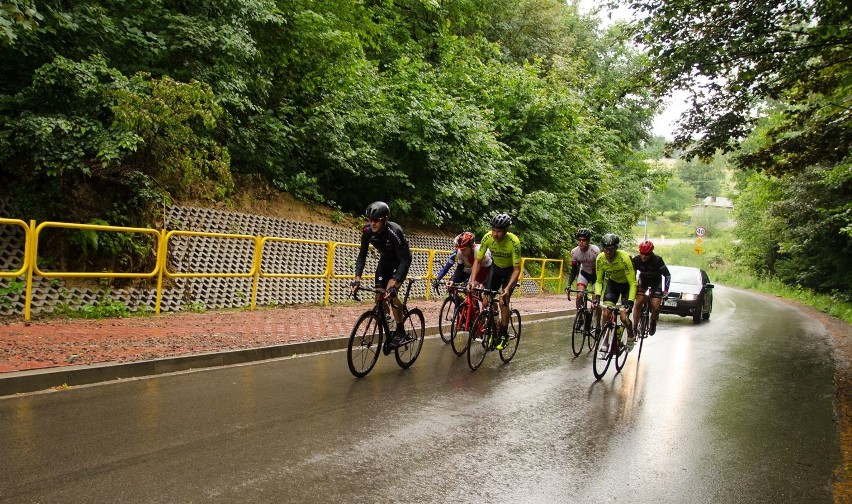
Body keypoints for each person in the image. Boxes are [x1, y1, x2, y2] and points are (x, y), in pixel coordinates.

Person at [352, 201, 413, 352]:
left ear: (385, 219)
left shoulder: (394, 231)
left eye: (376, 220)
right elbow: (362, 256)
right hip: (385, 262)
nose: (372, 223)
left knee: (390, 294)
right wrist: (357, 279)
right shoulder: (367, 231)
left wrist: (394, 285)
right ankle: (388, 322)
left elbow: (404, 260)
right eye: (370, 220)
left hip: (401, 262)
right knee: (379, 296)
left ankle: (400, 330)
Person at [468, 213, 521, 350]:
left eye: (499, 231)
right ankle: (494, 322)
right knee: (486, 299)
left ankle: (503, 334)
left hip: (510, 272)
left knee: (503, 301)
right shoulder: (487, 238)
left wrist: (508, 288)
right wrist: (472, 281)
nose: (495, 234)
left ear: (505, 231)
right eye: (494, 230)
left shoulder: (514, 242)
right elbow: (478, 261)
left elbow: (517, 269)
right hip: (496, 269)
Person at [593, 233, 637, 350]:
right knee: (606, 313)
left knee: (623, 317)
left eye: (611, 249)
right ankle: (605, 343)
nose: (608, 252)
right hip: (613, 284)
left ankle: (631, 335)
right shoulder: (600, 259)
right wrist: (597, 296)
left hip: (627, 286)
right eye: (606, 249)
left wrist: (631, 302)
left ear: (616, 248)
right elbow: (599, 281)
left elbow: (633, 283)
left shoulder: (624, 258)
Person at [565, 227, 602, 335]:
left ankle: (598, 325)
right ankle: (580, 316)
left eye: (584, 240)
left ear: (588, 240)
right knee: (579, 295)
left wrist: (598, 288)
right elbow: (573, 271)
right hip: (584, 273)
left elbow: (601, 269)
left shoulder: (595, 251)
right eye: (579, 240)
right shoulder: (574, 252)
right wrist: (568, 284)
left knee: (596, 302)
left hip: (596, 276)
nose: (581, 242)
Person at [631, 240, 671, 335]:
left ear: (651, 253)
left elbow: (667, 275)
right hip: (643, 280)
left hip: (656, 282)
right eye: (642, 254)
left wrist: (665, 291)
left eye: (646, 254)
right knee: (638, 302)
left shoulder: (657, 260)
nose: (643, 256)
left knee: (656, 307)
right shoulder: (636, 260)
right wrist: (633, 287)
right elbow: (632, 274)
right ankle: (635, 326)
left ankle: (653, 322)